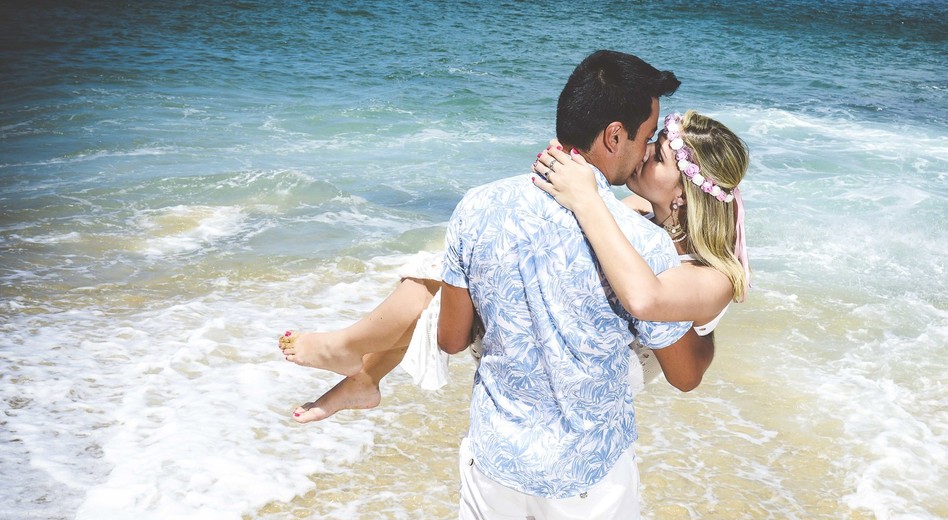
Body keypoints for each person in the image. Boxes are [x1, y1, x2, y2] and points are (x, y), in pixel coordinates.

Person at [435, 50, 713, 520]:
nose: (653, 151)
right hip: (589, 469)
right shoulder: (643, 246)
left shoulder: (478, 205)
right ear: (613, 137)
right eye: (649, 138)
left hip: (498, 450)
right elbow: (685, 375)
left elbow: (450, 336)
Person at [277, 116, 749, 421]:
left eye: (659, 153)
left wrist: (584, 196)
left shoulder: (712, 274)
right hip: (595, 333)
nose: (644, 151)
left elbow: (657, 321)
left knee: (449, 280)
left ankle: (346, 350)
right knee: (456, 265)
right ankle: (364, 375)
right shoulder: (643, 211)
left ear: (685, 194)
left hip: (615, 365)